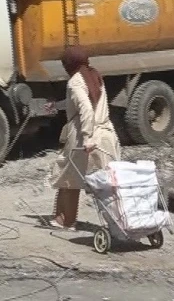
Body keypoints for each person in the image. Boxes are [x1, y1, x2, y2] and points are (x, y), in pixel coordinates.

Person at [48, 45, 122, 230]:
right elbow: (84, 101)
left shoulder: (75, 81)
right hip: (106, 134)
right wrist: (57, 106)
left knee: (69, 178)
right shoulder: (94, 76)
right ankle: (121, 222)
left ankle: (65, 220)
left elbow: (87, 109)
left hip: (84, 135)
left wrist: (87, 137)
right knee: (108, 183)